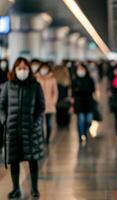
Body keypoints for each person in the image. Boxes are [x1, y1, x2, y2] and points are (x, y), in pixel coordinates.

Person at [0, 57, 45, 198]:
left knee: (33, 160)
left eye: (25, 67)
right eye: (19, 68)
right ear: (14, 70)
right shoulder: (8, 86)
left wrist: (35, 122)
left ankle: (35, 189)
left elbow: (40, 107)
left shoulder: (35, 86)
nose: (22, 70)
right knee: (14, 161)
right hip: (12, 130)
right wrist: (5, 121)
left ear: (29, 70)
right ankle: (15, 189)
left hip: (30, 130)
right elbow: (1, 106)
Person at [72, 63, 95, 143]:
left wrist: (80, 90)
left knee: (88, 120)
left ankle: (85, 132)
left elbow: (92, 89)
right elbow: (73, 92)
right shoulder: (75, 80)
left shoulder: (90, 79)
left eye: (82, 69)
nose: (80, 71)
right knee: (81, 120)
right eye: (79, 69)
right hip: (79, 103)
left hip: (88, 102)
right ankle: (81, 135)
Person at [37, 62, 58, 144]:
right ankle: (42, 138)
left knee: (49, 124)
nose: (44, 70)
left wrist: (53, 101)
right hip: (39, 105)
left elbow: (55, 92)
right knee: (40, 124)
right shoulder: (37, 78)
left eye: (46, 68)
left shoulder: (52, 79)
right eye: (42, 68)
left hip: (49, 105)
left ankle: (48, 138)